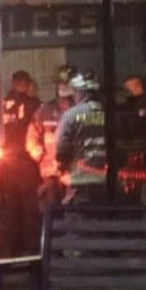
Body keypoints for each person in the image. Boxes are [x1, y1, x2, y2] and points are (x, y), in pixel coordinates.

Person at [0, 71, 44, 256]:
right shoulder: (34, 104)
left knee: (10, 206)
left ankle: (9, 249)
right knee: (30, 207)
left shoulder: (1, 104)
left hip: (6, 162)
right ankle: (31, 248)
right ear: (26, 84)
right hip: (27, 161)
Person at [56, 71, 110, 205]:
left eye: (75, 92)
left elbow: (62, 149)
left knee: (78, 214)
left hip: (80, 180)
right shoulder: (109, 113)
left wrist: (63, 166)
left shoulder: (71, 115)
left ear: (81, 92)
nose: (74, 96)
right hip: (106, 180)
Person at [33, 67, 76, 210]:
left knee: (75, 209)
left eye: (67, 83)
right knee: (50, 209)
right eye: (61, 83)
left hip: (75, 171)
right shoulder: (44, 110)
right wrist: (39, 155)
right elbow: (32, 136)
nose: (64, 87)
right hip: (50, 172)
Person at [117, 75, 146, 191]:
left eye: (129, 88)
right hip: (134, 147)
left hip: (145, 146)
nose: (127, 92)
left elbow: (139, 123)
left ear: (138, 87)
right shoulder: (129, 105)